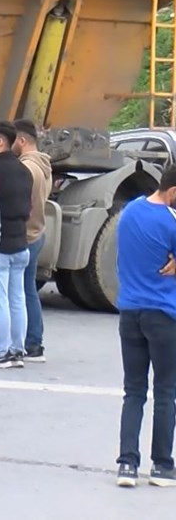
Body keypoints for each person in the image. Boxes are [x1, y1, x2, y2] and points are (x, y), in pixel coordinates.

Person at [0, 119, 52, 362]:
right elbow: (29, 207)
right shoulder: (25, 170)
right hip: (21, 244)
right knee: (18, 298)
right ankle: (17, 350)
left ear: (0, 141)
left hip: (1, 246)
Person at [113, 165, 176, 487]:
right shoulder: (171, 222)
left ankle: (127, 464)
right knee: (166, 391)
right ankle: (163, 466)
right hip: (164, 315)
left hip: (130, 312)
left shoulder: (129, 212)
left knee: (133, 391)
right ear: (173, 192)